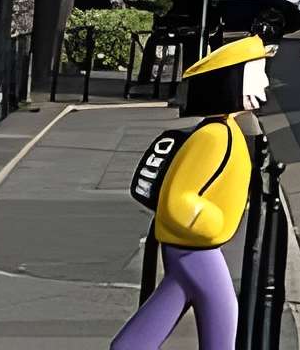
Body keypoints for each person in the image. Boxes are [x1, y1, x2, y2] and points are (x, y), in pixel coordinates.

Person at [113, 34, 269, 350]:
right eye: (257, 75)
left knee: (167, 311)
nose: (265, 84)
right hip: (194, 246)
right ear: (231, 83)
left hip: (187, 246)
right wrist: (213, 222)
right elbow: (179, 197)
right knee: (223, 316)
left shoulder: (222, 131)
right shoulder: (214, 136)